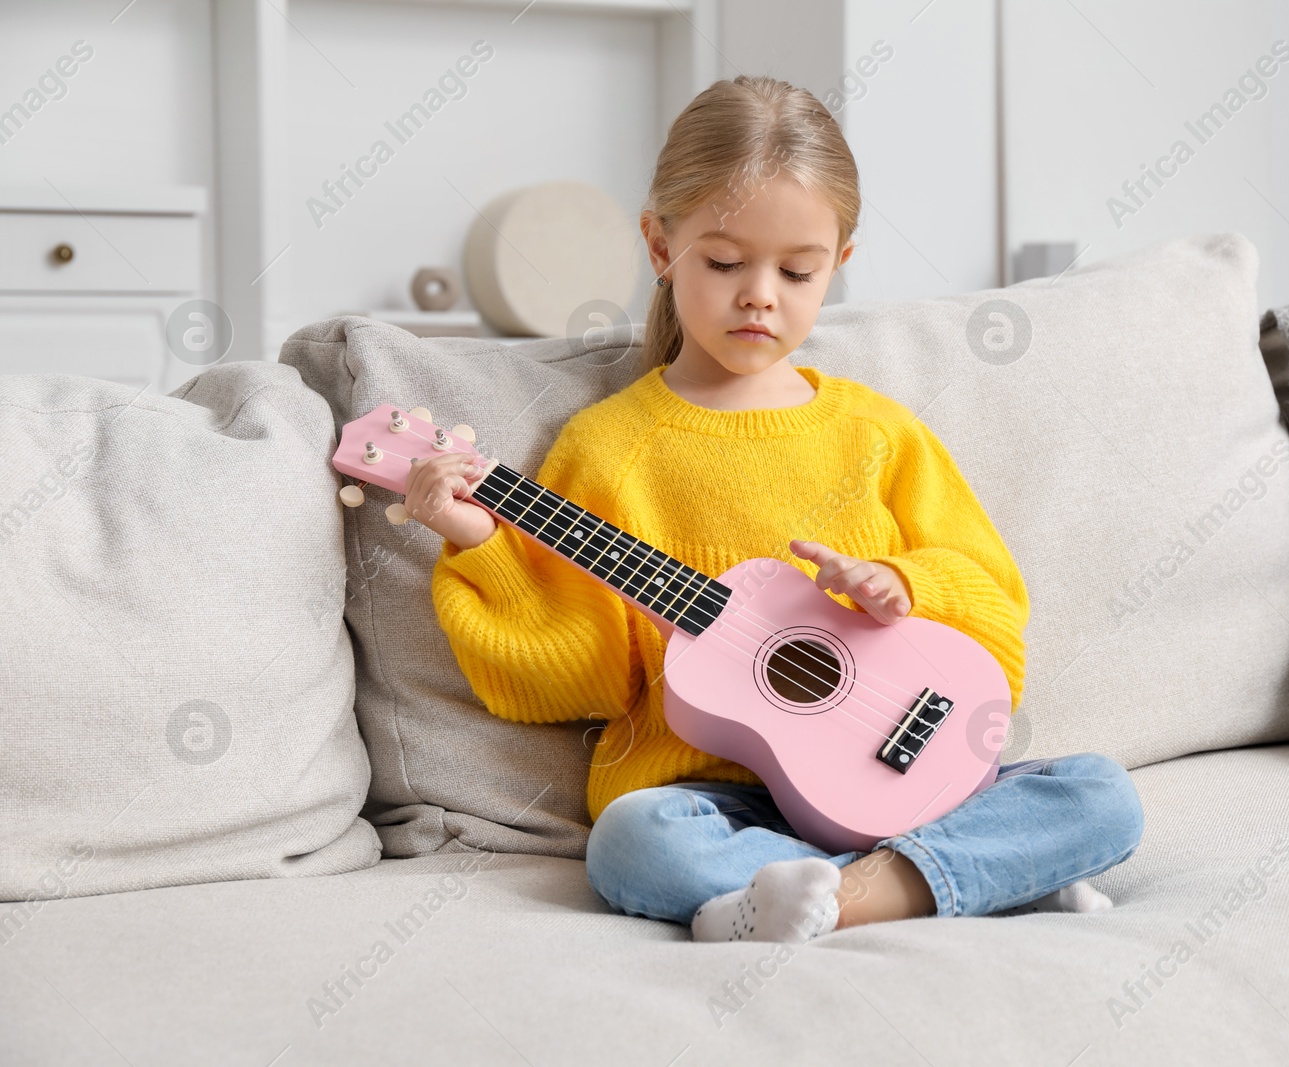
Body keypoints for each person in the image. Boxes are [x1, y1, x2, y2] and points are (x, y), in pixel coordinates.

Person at [404, 74, 1143, 944]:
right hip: (720, 802)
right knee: (634, 843)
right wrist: (482, 544)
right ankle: (969, 875)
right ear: (659, 246)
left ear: (840, 265)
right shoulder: (608, 450)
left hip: (906, 777)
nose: (760, 294)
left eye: (798, 271)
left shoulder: (877, 434)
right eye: (724, 262)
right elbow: (580, 678)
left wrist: (902, 585)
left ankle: (839, 897)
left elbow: (995, 612)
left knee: (1101, 794)